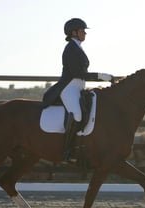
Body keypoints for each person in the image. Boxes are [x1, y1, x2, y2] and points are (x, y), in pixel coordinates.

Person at [42, 18, 113, 162]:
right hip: (68, 88)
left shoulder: (78, 47)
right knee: (78, 115)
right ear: (73, 32)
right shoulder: (70, 49)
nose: (85, 33)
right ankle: (67, 150)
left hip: (78, 87)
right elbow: (76, 73)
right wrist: (100, 76)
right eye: (82, 31)